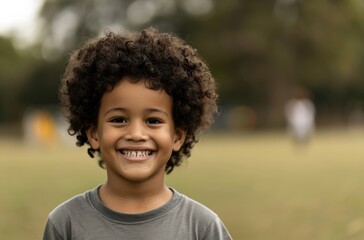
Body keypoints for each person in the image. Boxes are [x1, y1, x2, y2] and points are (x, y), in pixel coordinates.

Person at [43, 27, 232, 240]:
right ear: (94, 134)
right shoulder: (64, 223)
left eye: (153, 121)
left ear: (177, 137)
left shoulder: (202, 227)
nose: (136, 134)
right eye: (119, 120)